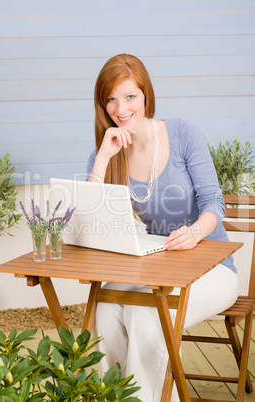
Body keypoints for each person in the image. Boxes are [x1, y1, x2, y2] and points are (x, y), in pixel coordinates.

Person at [86, 54, 239, 401]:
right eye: (110, 98)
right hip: (159, 265)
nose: (120, 108)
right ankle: (110, 396)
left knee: (147, 311)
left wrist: (196, 232)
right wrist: (103, 158)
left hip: (212, 266)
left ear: (146, 96)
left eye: (130, 97)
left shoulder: (183, 133)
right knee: (107, 308)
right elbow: (91, 219)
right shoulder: (110, 150)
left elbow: (215, 202)